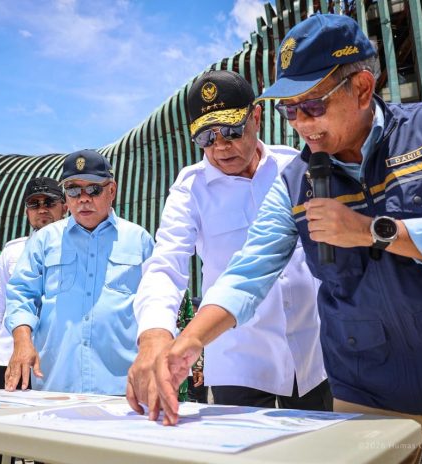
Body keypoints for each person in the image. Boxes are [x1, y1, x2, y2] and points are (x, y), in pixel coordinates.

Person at [153, 14, 422, 464]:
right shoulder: (293, 183)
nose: (301, 125)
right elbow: (248, 272)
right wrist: (188, 343)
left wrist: (373, 231)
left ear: (362, 88)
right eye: (289, 110)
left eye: (312, 105)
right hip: (367, 395)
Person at [127, 70, 327, 417]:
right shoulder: (190, 189)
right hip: (239, 360)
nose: (220, 146)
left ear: (256, 117)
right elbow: (166, 265)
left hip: (312, 356)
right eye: (206, 136)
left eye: (232, 130)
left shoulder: (293, 167)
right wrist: (154, 337)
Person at [4, 149, 154, 394]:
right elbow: (21, 294)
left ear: (111, 190)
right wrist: (21, 341)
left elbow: (156, 301)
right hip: (56, 382)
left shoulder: (139, 240)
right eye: (73, 190)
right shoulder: (44, 240)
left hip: (123, 385)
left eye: (93, 189)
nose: (83, 198)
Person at [0, 177, 67, 390]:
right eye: (34, 204)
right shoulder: (12, 250)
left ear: (64, 208)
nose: (42, 209)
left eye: (49, 202)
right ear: (27, 212)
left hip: (55, 360)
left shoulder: (79, 249)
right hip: (8, 357)